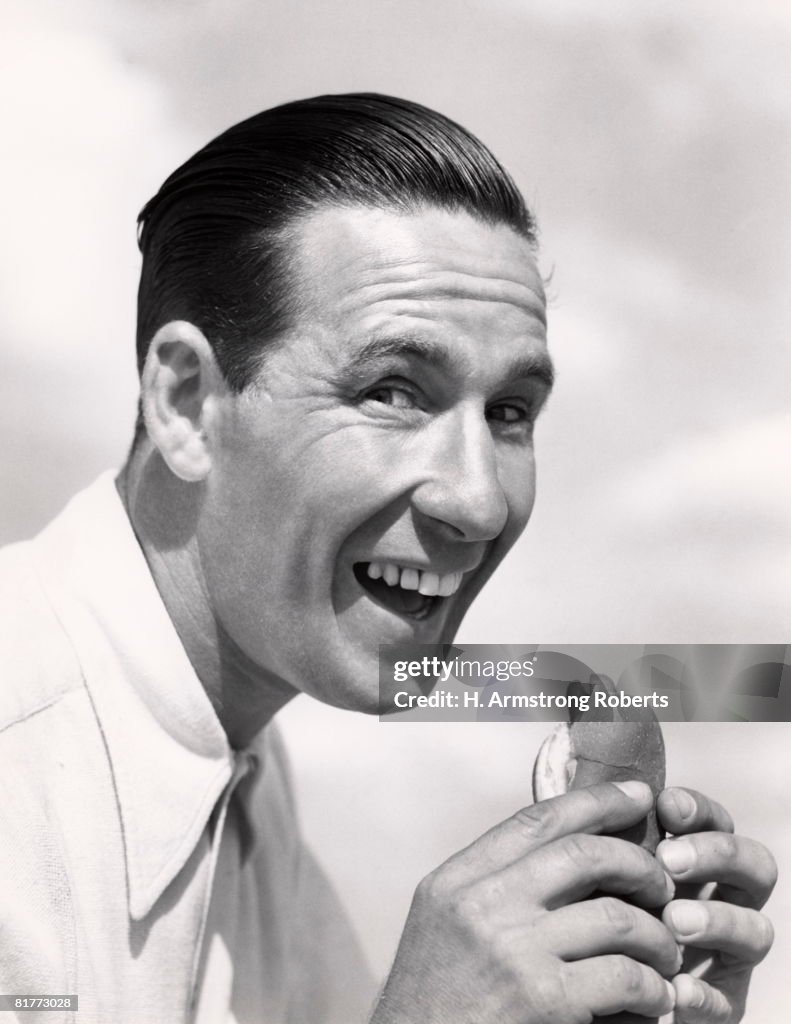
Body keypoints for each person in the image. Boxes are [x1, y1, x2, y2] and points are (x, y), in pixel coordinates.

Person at [0, 93, 775, 1023]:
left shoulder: (247, 782)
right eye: (393, 392)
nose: (480, 500)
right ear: (186, 403)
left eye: (510, 413)